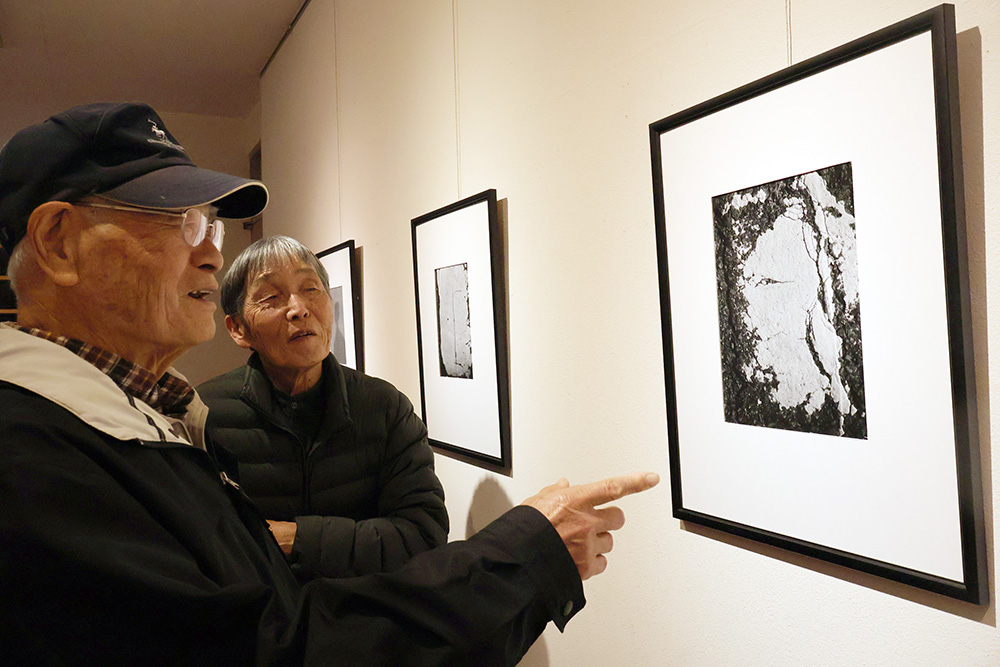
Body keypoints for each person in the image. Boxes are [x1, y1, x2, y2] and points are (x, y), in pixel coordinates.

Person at [0, 102, 659, 666]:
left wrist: (296, 538)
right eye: (179, 221)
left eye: (212, 227)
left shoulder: (163, 421)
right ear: (60, 243)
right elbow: (270, 646)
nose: (209, 251)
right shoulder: (31, 456)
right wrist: (523, 557)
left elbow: (410, 539)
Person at [199, 235, 449, 580]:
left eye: (311, 289)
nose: (299, 308)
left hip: (365, 623)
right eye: (271, 297)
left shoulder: (384, 407)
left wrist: (298, 540)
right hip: (257, 626)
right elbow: (197, 546)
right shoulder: (203, 414)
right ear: (238, 328)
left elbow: (423, 535)